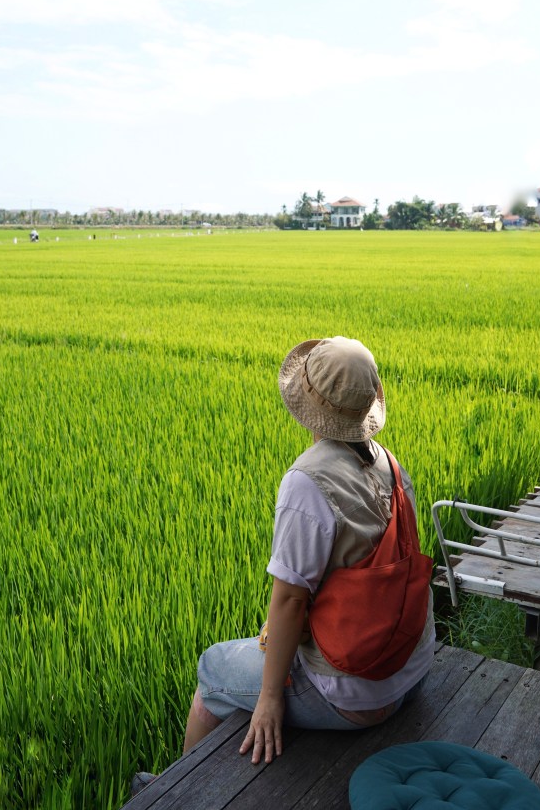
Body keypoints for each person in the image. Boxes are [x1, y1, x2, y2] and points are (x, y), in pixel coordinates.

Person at [132, 336, 434, 794]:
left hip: (357, 695)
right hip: (410, 669)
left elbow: (291, 599)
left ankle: (173, 794)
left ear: (309, 406)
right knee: (268, 639)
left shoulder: (307, 480)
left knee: (212, 668)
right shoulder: (391, 465)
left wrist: (270, 697)